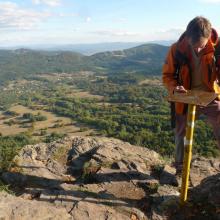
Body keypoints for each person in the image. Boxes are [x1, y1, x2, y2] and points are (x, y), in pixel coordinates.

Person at [162, 16, 220, 175]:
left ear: (209, 38)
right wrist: (174, 88)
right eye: (194, 46)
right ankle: (180, 169)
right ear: (187, 37)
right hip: (185, 96)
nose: (198, 50)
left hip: (210, 95)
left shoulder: (218, 47)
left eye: (201, 47)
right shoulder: (177, 49)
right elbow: (167, 76)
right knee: (181, 132)